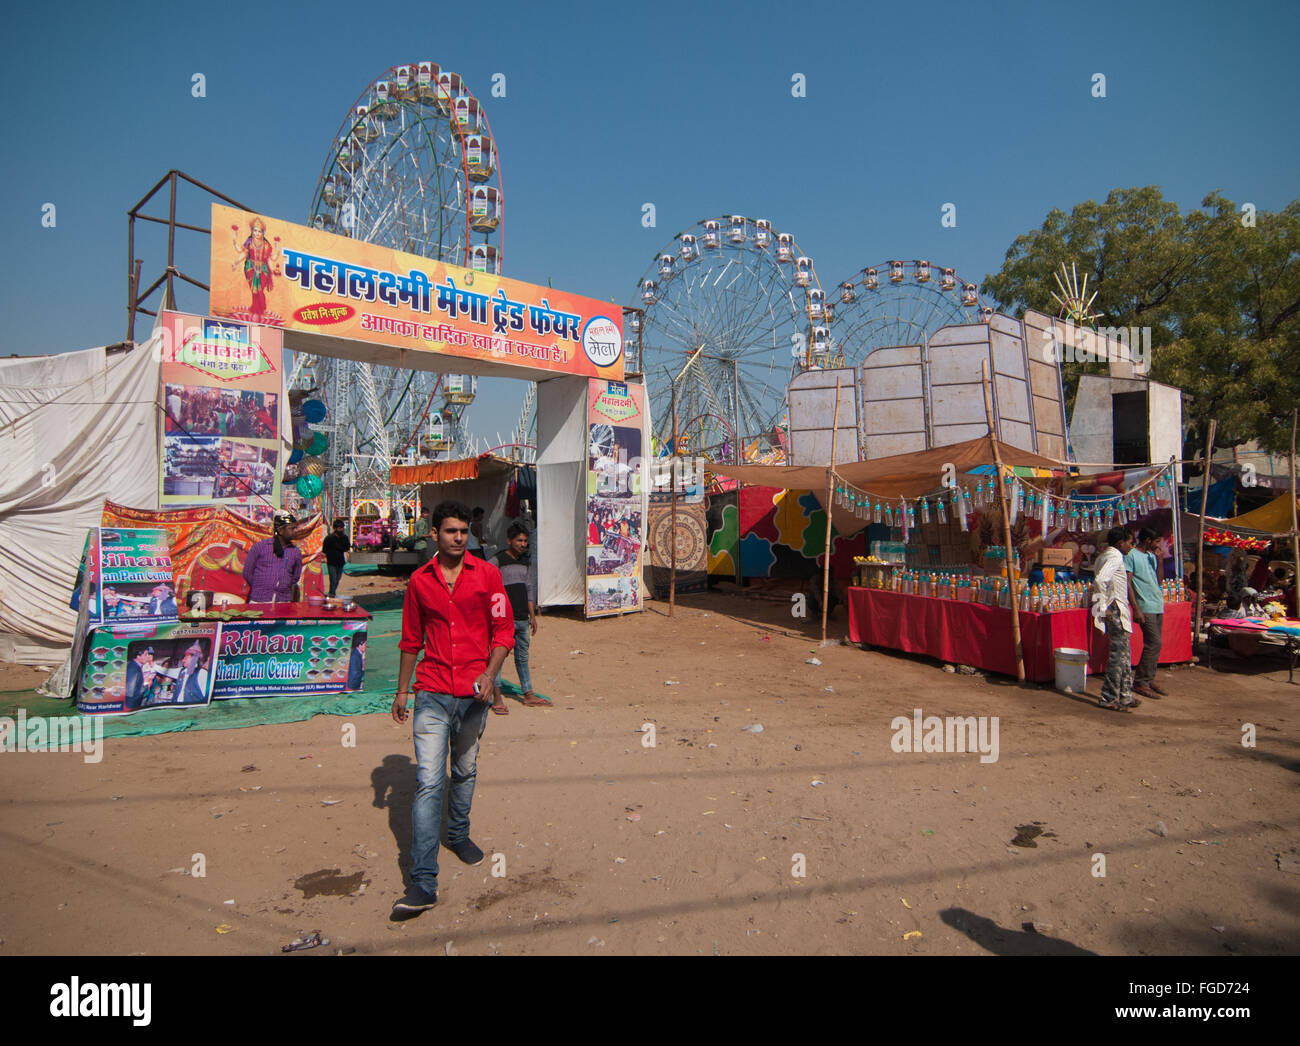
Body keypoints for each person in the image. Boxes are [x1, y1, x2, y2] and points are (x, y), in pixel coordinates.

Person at [391, 500, 514, 917]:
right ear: (434, 534)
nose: (459, 538)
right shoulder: (419, 583)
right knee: (429, 781)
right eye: (451, 531)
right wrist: (402, 692)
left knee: (464, 769)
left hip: (474, 694)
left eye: (464, 531)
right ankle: (424, 882)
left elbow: (504, 631)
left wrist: (490, 674)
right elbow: (410, 640)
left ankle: (458, 834)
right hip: (431, 691)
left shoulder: (488, 576)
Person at [491, 523, 547, 715]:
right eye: (519, 540)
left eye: (525, 541)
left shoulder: (525, 562)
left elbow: (529, 589)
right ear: (509, 541)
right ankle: (496, 698)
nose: (523, 544)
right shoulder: (497, 561)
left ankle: (528, 694)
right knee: (497, 659)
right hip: (503, 621)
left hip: (523, 619)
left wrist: (533, 616)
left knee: (522, 658)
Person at [1093, 527, 1142, 712]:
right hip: (1115, 609)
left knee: (1124, 655)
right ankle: (1108, 697)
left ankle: (1125, 695)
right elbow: (1100, 580)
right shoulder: (1114, 557)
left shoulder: (1104, 556)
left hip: (1116, 608)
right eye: (1130, 542)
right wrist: (1103, 606)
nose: (1131, 546)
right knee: (1117, 656)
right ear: (1120, 542)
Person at [1126, 527, 1167, 699]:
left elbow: (1159, 580)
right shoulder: (1131, 556)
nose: (1159, 545)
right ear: (1148, 540)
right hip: (1145, 606)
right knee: (1154, 643)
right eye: (1157, 541)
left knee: (1156, 644)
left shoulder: (1151, 556)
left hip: (1157, 604)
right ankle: (1141, 682)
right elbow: (1128, 584)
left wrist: (1160, 560)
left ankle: (1149, 679)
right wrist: (1136, 608)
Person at [242, 513, 303, 603]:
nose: (295, 531)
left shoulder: (295, 552)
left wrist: (283, 586)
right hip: (259, 600)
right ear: (281, 530)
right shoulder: (259, 547)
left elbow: (295, 577)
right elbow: (247, 573)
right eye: (292, 528)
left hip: (283, 601)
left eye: (295, 528)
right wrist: (260, 587)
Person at [323, 518, 352, 598]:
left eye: (342, 528)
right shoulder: (329, 538)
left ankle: (332, 592)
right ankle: (332, 594)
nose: (342, 529)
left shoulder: (345, 538)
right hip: (331, 562)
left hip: (340, 561)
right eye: (340, 528)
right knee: (333, 579)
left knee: (337, 579)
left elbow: (347, 548)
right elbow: (324, 549)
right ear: (335, 529)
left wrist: (339, 548)